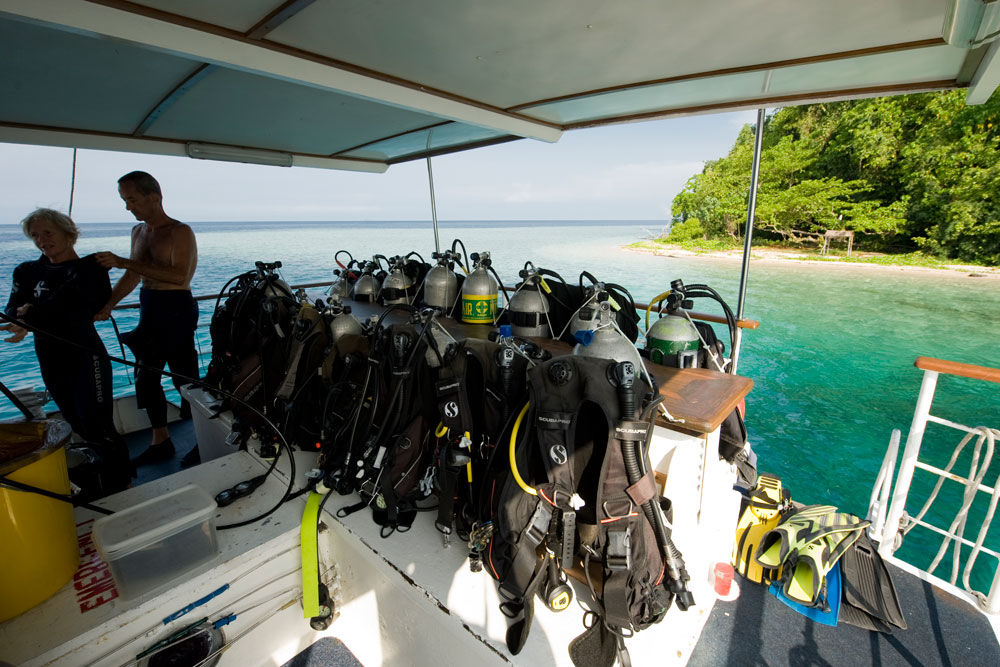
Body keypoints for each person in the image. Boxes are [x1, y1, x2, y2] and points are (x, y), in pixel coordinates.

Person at [3, 208, 133, 494]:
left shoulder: (91, 267)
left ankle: (122, 478)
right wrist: (20, 318)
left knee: (96, 420)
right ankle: (105, 471)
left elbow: (81, 306)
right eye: (35, 235)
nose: (41, 240)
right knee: (74, 419)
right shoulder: (26, 271)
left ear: (69, 233)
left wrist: (30, 315)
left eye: (48, 233)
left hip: (85, 354)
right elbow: (12, 307)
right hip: (50, 356)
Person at [95, 171, 200, 466]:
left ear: (154, 197)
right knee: (146, 376)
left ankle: (200, 438)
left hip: (176, 306)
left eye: (132, 199)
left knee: (185, 379)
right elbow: (134, 274)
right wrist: (108, 305)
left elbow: (180, 276)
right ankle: (161, 440)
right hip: (149, 306)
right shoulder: (138, 232)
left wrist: (124, 261)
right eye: (124, 200)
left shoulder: (180, 231)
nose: (128, 207)